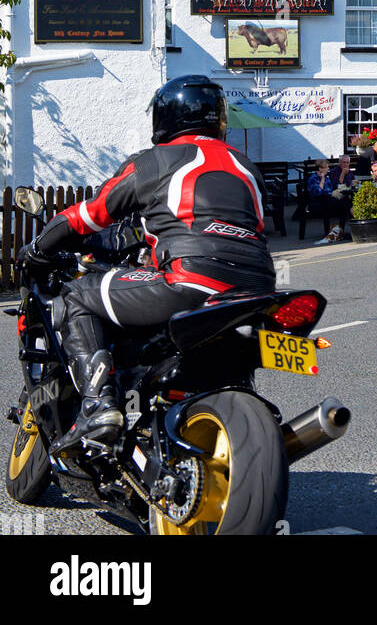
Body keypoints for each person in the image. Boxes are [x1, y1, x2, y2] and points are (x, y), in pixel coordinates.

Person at [15, 74, 275, 454]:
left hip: (189, 279)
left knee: (74, 297)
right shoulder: (246, 167)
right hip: (257, 288)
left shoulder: (154, 162)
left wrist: (36, 248)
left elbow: (88, 215)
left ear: (165, 117)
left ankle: (97, 406)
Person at [307, 160, 352, 244]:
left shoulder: (327, 178)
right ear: (320, 169)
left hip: (328, 200)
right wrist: (323, 179)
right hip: (318, 202)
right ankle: (340, 232)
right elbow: (318, 192)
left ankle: (341, 231)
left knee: (347, 203)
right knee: (345, 205)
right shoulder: (313, 178)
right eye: (326, 167)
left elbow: (331, 190)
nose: (328, 168)